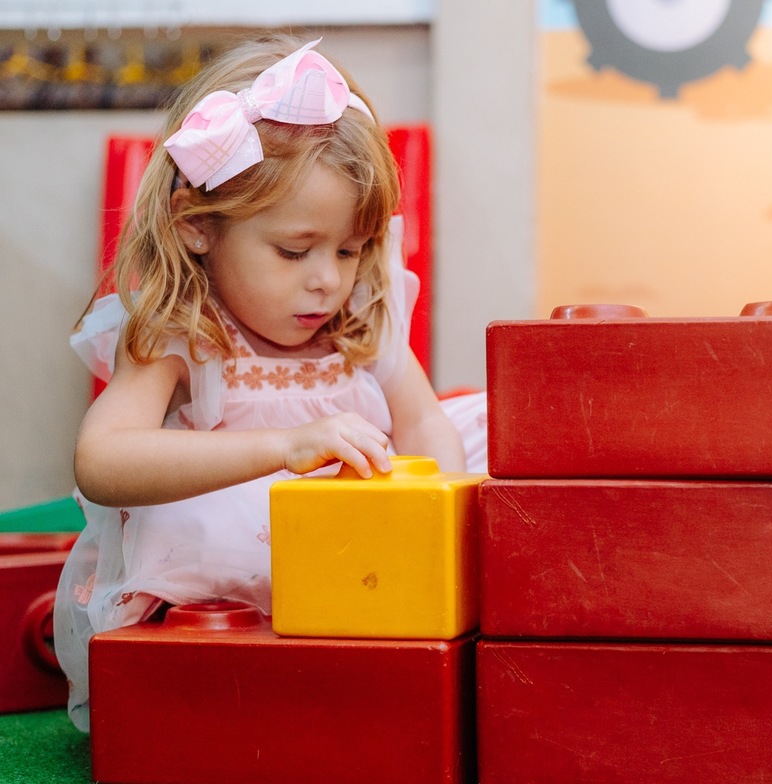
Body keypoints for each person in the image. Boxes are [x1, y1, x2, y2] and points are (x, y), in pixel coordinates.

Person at [54, 35, 486, 732]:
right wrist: (284, 447)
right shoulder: (182, 329)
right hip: (234, 556)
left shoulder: (362, 314)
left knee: (491, 432)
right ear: (198, 228)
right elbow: (102, 462)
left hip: (361, 555)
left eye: (350, 250)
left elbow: (425, 422)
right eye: (294, 251)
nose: (328, 278)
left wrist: (441, 510)